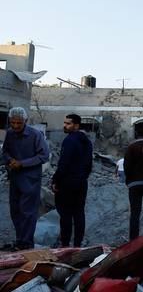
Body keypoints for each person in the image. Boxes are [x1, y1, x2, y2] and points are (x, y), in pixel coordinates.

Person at [1, 107, 50, 251]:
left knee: (28, 212)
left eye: (19, 123)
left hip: (30, 180)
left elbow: (44, 156)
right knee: (15, 211)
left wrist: (22, 163)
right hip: (15, 178)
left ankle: (26, 243)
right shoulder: (10, 134)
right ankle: (20, 240)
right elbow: (5, 152)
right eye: (13, 123)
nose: (15, 126)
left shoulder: (35, 135)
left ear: (25, 121)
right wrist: (10, 160)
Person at [52, 114, 93, 247]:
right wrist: (82, 177)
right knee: (79, 213)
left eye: (68, 123)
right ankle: (77, 244)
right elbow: (89, 164)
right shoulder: (86, 141)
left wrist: (55, 180)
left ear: (76, 125)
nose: (65, 125)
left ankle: (65, 244)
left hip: (67, 183)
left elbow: (64, 163)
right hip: (81, 182)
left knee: (66, 214)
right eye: (64, 123)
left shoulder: (69, 140)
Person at [124, 123, 143, 241]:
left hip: (134, 184)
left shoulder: (131, 147)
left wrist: (129, 180)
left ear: (136, 133)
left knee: (135, 213)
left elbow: (127, 166)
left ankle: (133, 240)